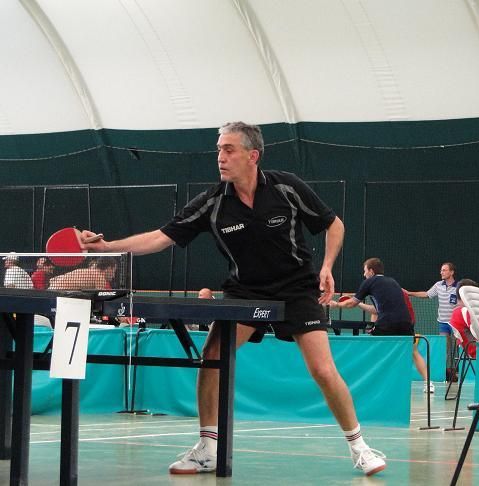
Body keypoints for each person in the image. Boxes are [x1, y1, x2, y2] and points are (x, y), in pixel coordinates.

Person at [80, 122, 385, 476]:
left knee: (322, 369)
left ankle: (359, 447)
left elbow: (334, 224)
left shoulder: (286, 187)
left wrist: (327, 267)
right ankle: (208, 448)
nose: (220, 158)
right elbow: (161, 237)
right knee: (212, 356)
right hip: (245, 292)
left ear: (252, 156)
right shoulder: (213, 202)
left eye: (229, 150)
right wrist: (108, 247)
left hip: (298, 288)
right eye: (219, 150)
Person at [330, 258, 433, 393]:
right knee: (413, 352)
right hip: (405, 322)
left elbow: (351, 303)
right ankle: (428, 383)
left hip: (387, 323)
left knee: (372, 347)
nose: (364, 274)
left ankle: (369, 382)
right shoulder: (393, 282)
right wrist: (361, 304)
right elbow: (377, 310)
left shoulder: (369, 282)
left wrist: (336, 304)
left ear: (371, 271)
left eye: (365, 271)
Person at [406, 262, 458, 381]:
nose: (441, 272)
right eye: (441, 270)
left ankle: (455, 371)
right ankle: (444, 373)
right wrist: (409, 293)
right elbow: (427, 294)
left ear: (451, 272)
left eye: (444, 270)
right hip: (443, 322)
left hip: (455, 323)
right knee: (444, 348)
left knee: (457, 348)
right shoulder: (438, 285)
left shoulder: (459, 286)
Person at [48, 258, 117, 290]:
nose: (113, 276)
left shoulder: (89, 272)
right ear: (109, 268)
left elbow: (52, 280)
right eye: (113, 271)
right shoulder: (99, 277)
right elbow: (100, 299)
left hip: (52, 288)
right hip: (59, 292)